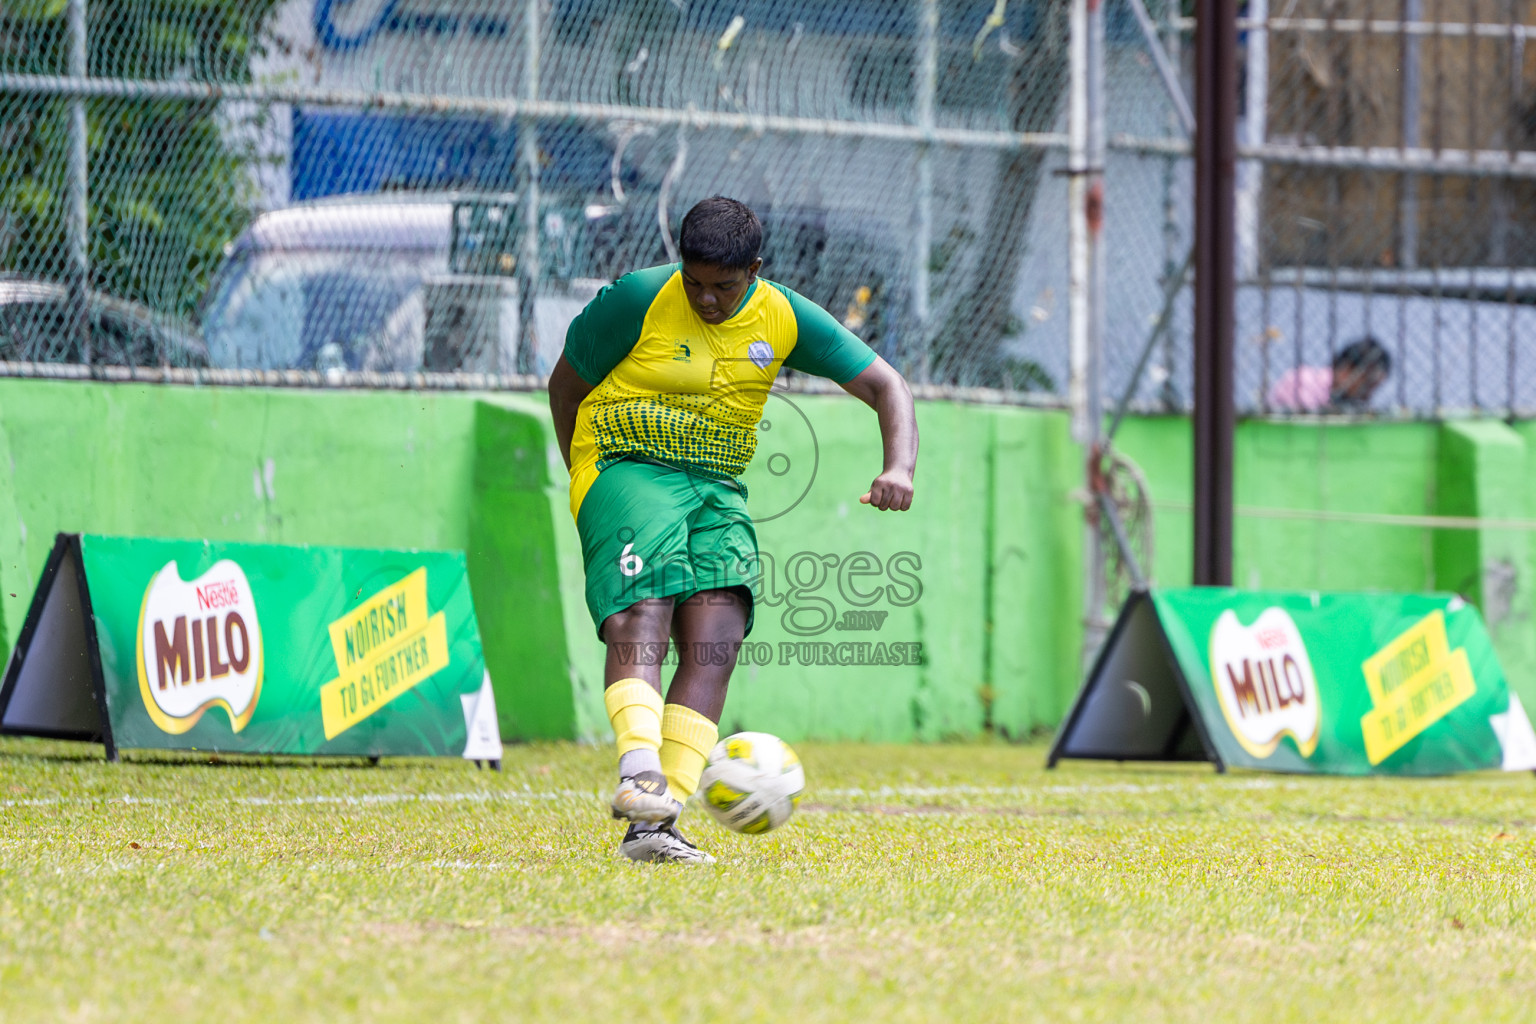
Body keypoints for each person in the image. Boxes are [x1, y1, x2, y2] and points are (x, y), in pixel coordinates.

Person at [548, 196, 918, 864]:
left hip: (716, 485)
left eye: (724, 287)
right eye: (695, 284)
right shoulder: (636, 299)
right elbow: (565, 386)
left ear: (755, 269)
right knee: (644, 612)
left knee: (717, 634)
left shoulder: (783, 315)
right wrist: (587, 478)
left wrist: (900, 466)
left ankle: (655, 827)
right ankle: (640, 773)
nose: (708, 300)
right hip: (625, 465)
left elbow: (887, 385)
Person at [1267, 337, 1392, 413]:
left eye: (1375, 388)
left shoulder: (1350, 402)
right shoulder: (1303, 381)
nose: (1368, 395)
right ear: (1347, 369)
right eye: (1368, 385)